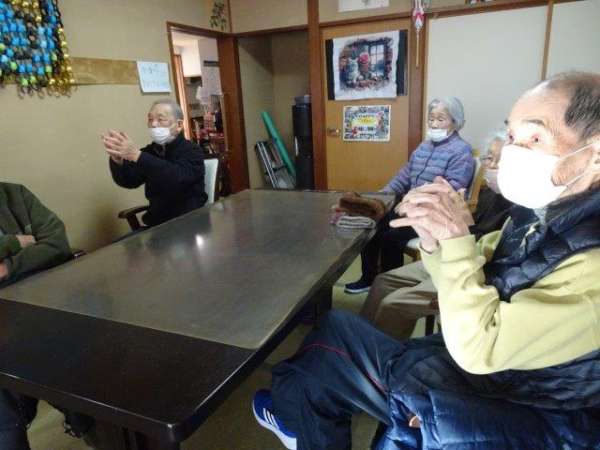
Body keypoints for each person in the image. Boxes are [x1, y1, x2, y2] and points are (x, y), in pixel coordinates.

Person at [253, 71, 600, 450]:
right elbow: (463, 247)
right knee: (335, 326)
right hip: (495, 374)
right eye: (512, 137)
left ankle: (294, 411)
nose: (511, 154)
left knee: (315, 365)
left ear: (595, 152)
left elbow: (479, 349)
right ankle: (297, 411)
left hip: (521, 409)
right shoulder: (542, 213)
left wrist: (453, 237)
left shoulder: (591, 261)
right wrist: (428, 237)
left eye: (534, 138)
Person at [361, 129, 513, 340]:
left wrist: (455, 223)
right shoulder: (490, 193)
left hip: (476, 270)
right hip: (455, 254)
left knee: (393, 304)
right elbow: (404, 176)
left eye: (500, 160)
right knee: (383, 281)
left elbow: (487, 252)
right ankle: (360, 341)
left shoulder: (522, 206)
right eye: (489, 158)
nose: (491, 165)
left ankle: (378, 354)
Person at [345, 97, 474, 294]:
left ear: (455, 122)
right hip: (409, 207)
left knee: (390, 237)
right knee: (371, 224)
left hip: (434, 215)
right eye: (431, 119)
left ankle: (389, 287)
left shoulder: (461, 151)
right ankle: (368, 278)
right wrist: (381, 195)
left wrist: (412, 202)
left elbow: (449, 189)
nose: (434, 124)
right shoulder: (424, 147)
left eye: (441, 119)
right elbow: (404, 175)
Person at [0, 182, 93, 449]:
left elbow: (57, 243)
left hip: (42, 303)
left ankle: (83, 419)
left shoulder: (15, 194)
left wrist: (7, 267)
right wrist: (15, 242)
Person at [102, 98, 207, 228]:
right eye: (150, 119)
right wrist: (117, 160)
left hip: (189, 222)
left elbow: (178, 177)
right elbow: (130, 181)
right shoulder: (149, 152)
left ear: (179, 125)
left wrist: (137, 156)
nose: (154, 124)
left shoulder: (192, 150)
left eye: (160, 119)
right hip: (157, 224)